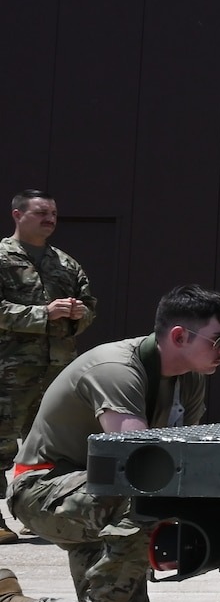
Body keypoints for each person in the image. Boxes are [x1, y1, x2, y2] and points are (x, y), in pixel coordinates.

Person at [0, 284, 220, 602]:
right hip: (43, 489)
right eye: (219, 340)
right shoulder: (115, 369)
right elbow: (135, 468)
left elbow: (191, 456)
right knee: (144, 501)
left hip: (95, 495)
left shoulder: (190, 378)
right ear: (179, 336)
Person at [0, 190, 98, 543]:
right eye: (42, 213)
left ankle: (37, 512)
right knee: (1, 443)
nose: (50, 219)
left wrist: (78, 314)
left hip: (57, 371)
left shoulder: (65, 263)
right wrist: (43, 314)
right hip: (9, 370)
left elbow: (89, 305)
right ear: (17, 214)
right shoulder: (2, 257)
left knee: (48, 446)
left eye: (54, 214)